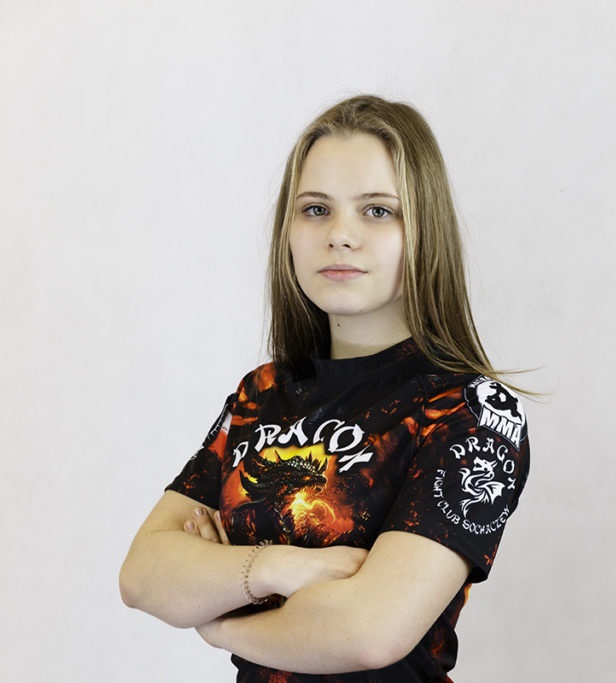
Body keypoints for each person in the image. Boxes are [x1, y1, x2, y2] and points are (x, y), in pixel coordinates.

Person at [120, 94, 531, 682]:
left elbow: (368, 633)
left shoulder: (468, 411)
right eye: (315, 209)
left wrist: (220, 621)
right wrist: (278, 569)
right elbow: (142, 574)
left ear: (425, 230)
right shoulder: (260, 395)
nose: (340, 235)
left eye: (378, 211)